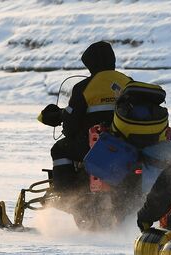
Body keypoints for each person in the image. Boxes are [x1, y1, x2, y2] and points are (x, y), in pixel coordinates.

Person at [39, 41, 132, 194]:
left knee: (59, 149)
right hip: (127, 145)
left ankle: (67, 194)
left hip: (95, 145)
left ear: (90, 64)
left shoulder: (84, 87)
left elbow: (70, 125)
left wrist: (68, 126)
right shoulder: (127, 82)